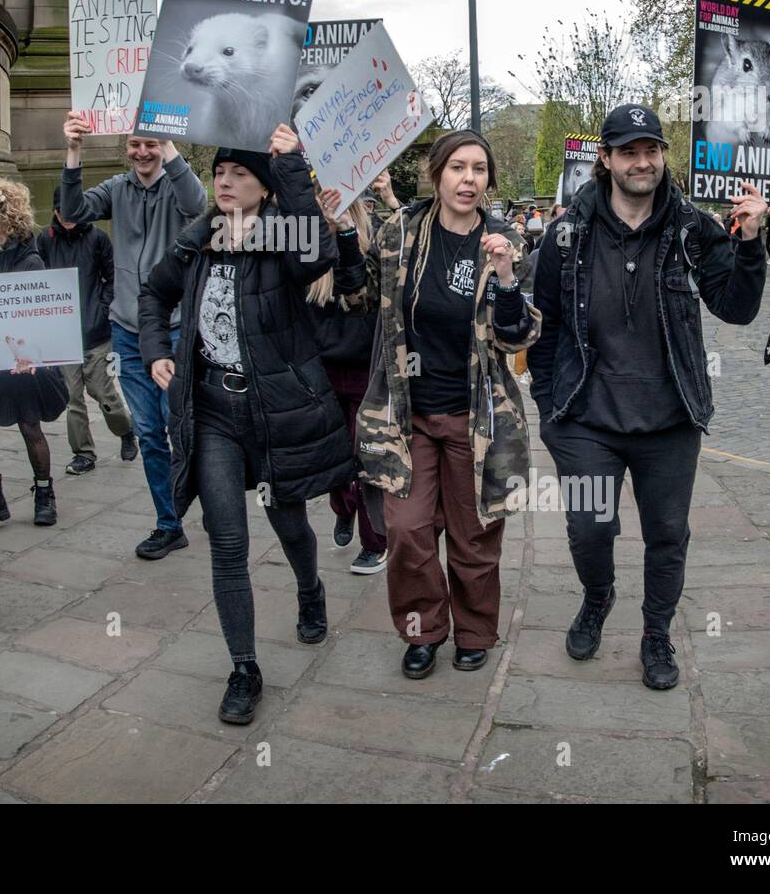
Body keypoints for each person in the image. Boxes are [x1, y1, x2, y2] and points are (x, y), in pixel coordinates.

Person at [529, 104, 767, 691]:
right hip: (586, 417)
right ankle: (597, 596)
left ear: (663, 155)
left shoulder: (692, 229)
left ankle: (656, 634)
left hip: (669, 420)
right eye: (628, 151)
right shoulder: (566, 234)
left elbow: (736, 308)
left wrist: (753, 240)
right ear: (605, 160)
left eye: (651, 150)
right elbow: (546, 325)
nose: (643, 162)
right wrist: (546, 406)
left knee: (667, 534)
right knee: (589, 528)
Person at [139, 127, 355, 724]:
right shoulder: (200, 237)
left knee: (288, 524)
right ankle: (243, 667)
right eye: (220, 173)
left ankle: (310, 590)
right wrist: (158, 346)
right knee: (227, 539)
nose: (225, 182)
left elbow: (318, 256)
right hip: (213, 411)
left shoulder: (287, 236)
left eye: (239, 173)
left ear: (263, 185)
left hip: (275, 411)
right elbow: (153, 294)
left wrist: (291, 165)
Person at [341, 129, 541, 680]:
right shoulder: (401, 231)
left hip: (476, 417)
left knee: (474, 533)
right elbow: (357, 296)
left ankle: (474, 631)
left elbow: (518, 337)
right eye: (457, 167)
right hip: (405, 416)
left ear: (489, 180)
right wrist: (339, 230)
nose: (468, 179)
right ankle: (421, 630)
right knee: (407, 530)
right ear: (437, 173)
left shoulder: (504, 241)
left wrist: (503, 280)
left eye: (479, 169)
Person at [59, 115, 206, 560]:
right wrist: (73, 150)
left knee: (180, 428)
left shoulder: (176, 185)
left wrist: (168, 140)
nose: (143, 152)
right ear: (126, 145)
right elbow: (71, 211)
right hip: (127, 331)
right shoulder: (117, 189)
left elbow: (198, 202)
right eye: (136, 144)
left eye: (151, 144)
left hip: (175, 328)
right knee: (148, 431)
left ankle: (199, 497)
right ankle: (168, 523)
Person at [0, 178, 70, 528]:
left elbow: (40, 317)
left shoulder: (30, 261)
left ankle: (44, 492)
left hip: (21, 360)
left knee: (29, 426)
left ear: (5, 219)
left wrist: (32, 354)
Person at [310, 184, 388, 574]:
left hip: (365, 367)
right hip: (324, 368)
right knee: (337, 456)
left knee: (369, 456)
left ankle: (375, 540)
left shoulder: (371, 236)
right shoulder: (304, 238)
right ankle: (344, 506)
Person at [37, 189, 138, 475]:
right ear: (56, 212)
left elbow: (113, 276)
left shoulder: (97, 238)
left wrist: (103, 309)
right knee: (73, 397)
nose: (67, 217)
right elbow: (38, 278)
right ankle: (83, 453)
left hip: (95, 330)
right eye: (61, 212)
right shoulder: (45, 239)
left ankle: (126, 430)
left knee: (103, 392)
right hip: (62, 332)